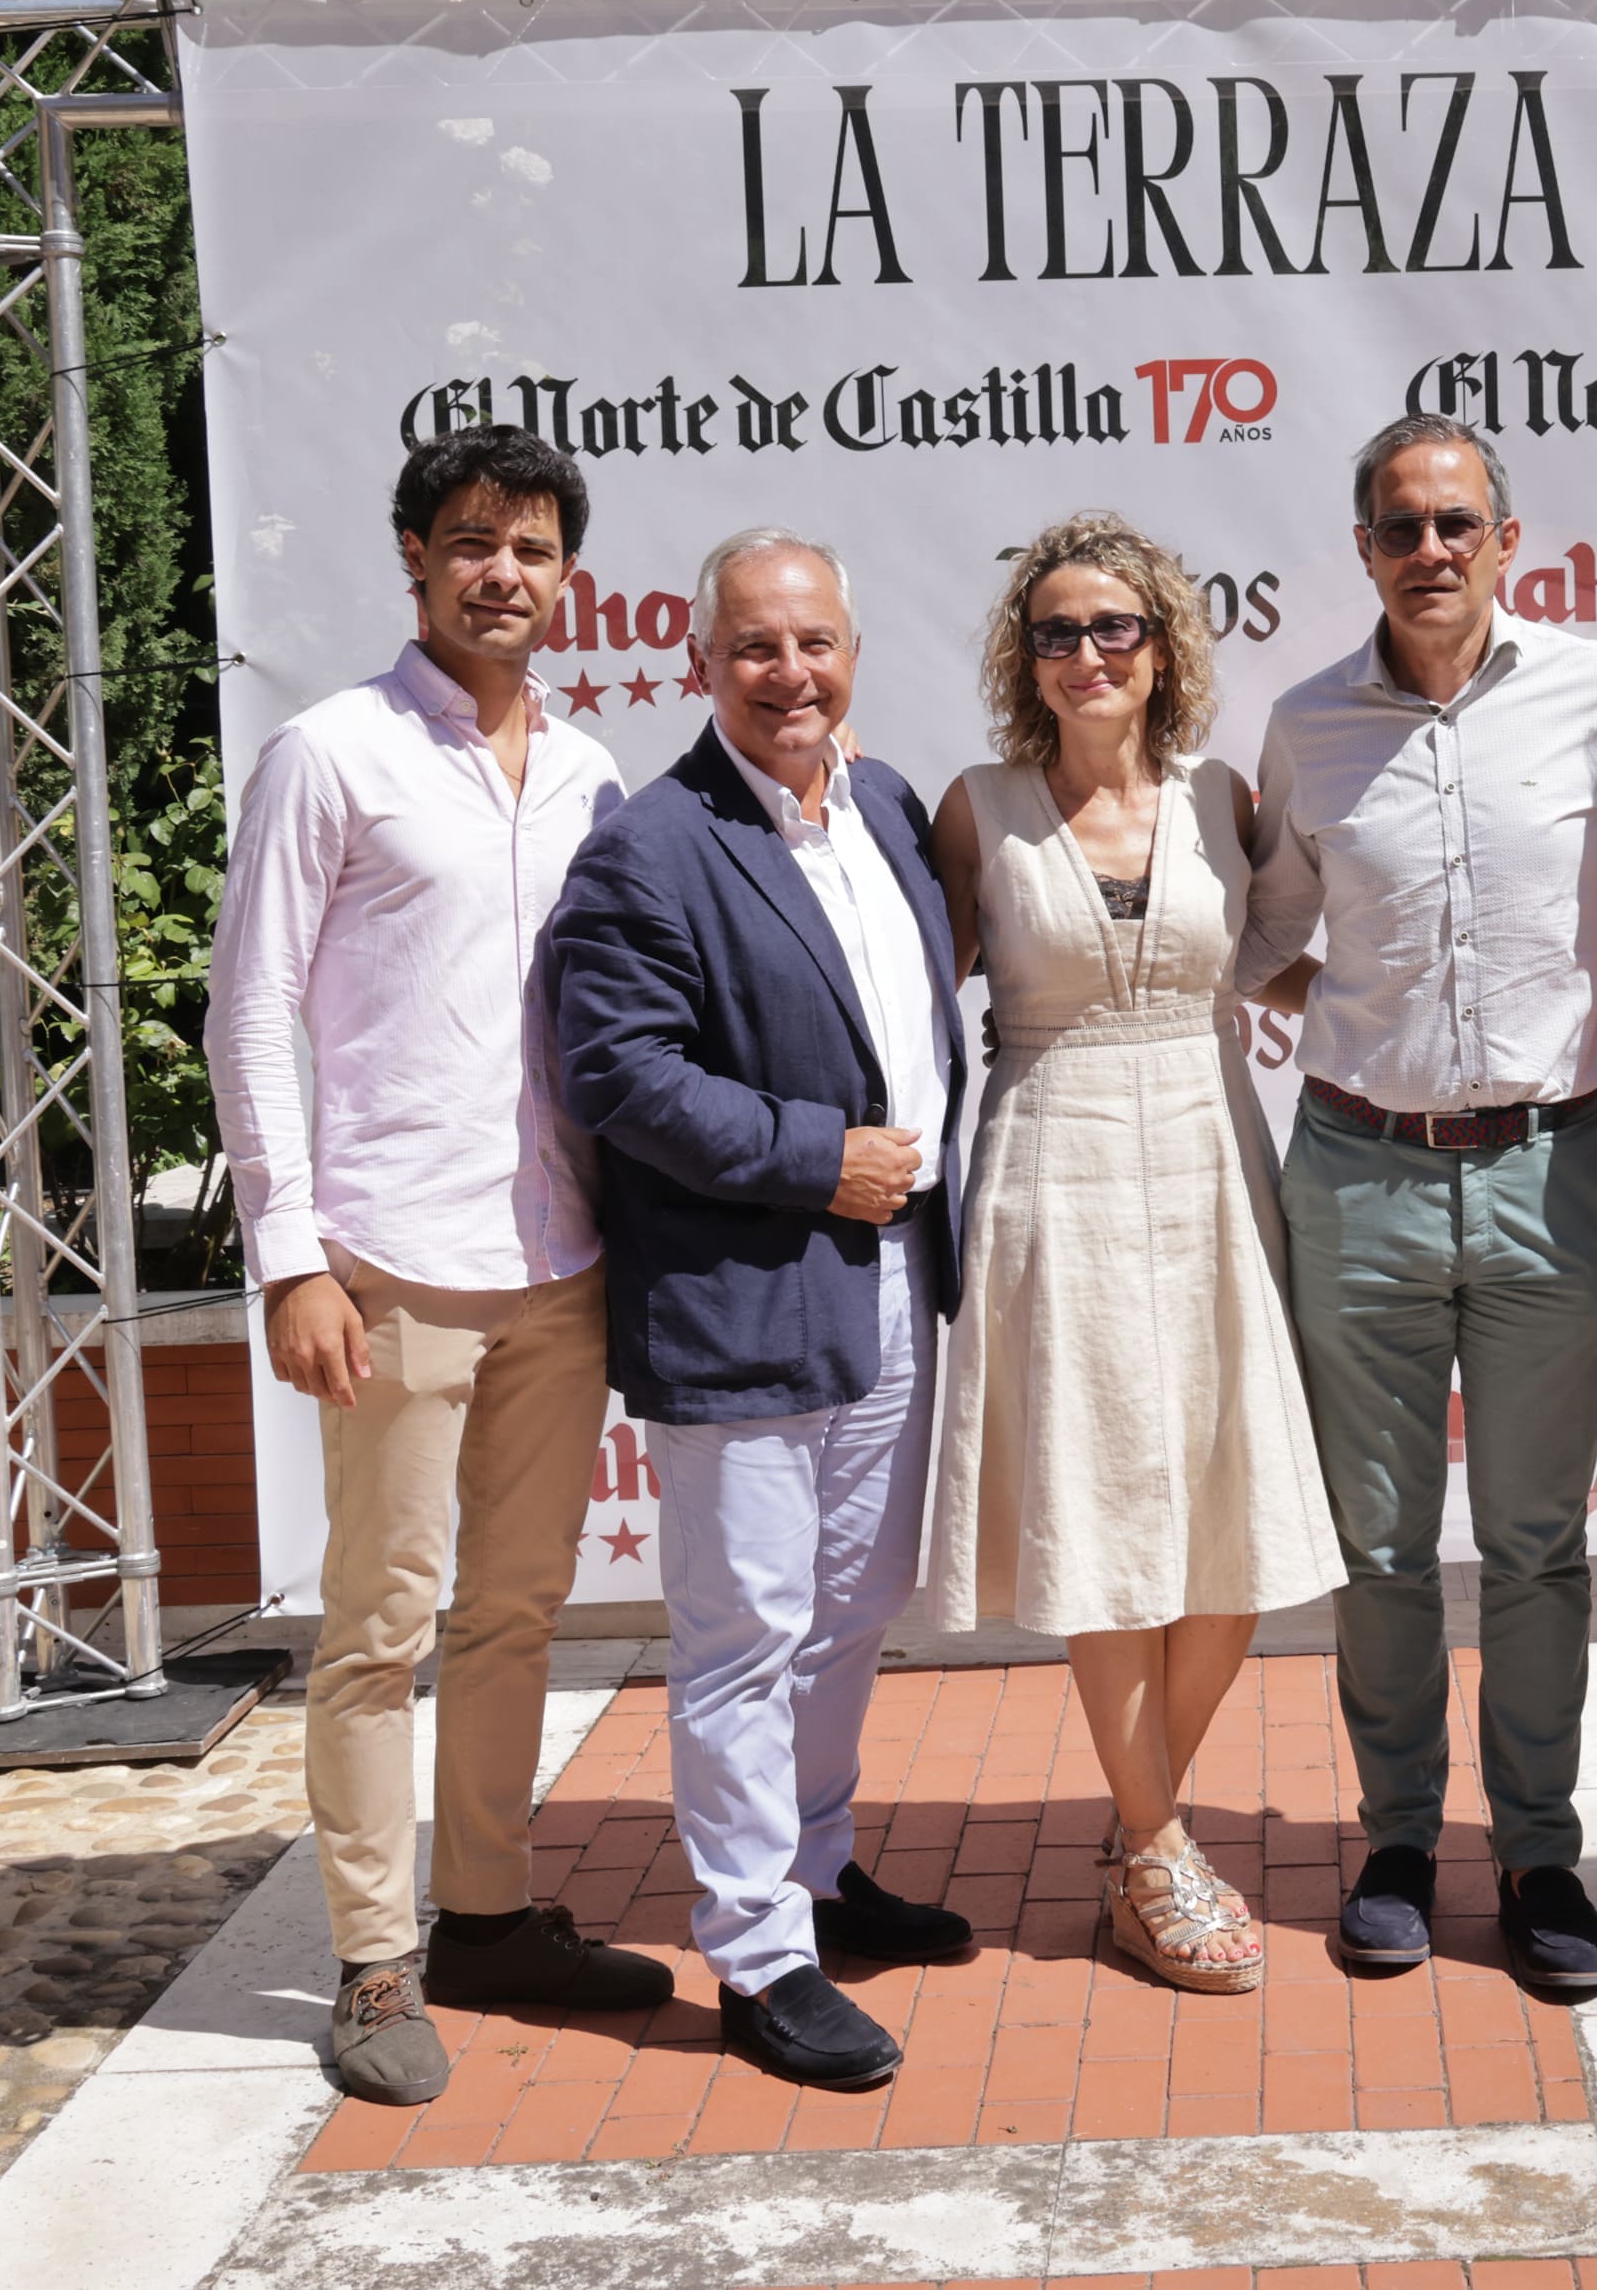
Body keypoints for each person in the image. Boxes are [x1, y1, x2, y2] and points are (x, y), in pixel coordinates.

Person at [203, 423, 674, 2107]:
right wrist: (290, 1257)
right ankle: (371, 1959)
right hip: (388, 1257)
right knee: (379, 1625)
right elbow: (251, 1010)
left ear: (570, 576)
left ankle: (487, 1916)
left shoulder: (597, 774)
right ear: (414, 554)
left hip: (556, 1255)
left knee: (519, 1612)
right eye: (473, 540)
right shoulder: (331, 754)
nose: (503, 572)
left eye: (534, 547)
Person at [542, 527, 979, 2094]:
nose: (790, 675)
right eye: (755, 650)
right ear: (700, 663)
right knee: (742, 1638)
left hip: (892, 1287)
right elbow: (620, 1074)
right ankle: (756, 1956)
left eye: (814, 644)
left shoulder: (885, 806)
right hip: (744, 1291)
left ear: (851, 648)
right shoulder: (647, 846)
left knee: (855, 1610)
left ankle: (816, 1866)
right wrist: (820, 1162)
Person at [1240, 413, 1597, 1994]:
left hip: (1551, 1168)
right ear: (1363, 549)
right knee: (1383, 1549)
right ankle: (1402, 1839)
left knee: (1546, 1545)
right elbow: (1270, 926)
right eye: (1402, 526)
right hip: (1356, 1173)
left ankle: (1543, 1860)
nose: (1431, 549)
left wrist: (1546, 1021)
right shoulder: (1306, 724)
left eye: (1458, 523)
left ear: (1507, 541)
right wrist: (1380, 1027)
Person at [919, 515, 1348, 1994]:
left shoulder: (1225, 798)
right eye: (1054, 632)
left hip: (1218, 1162)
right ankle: (1157, 1849)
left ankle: (1138, 1826)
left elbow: (1283, 960)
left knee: (1231, 1510)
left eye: (1114, 628)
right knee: (1100, 1519)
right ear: (1020, 659)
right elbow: (900, 1005)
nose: (1086, 654)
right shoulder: (976, 810)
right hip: (1053, 1176)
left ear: (1163, 646)